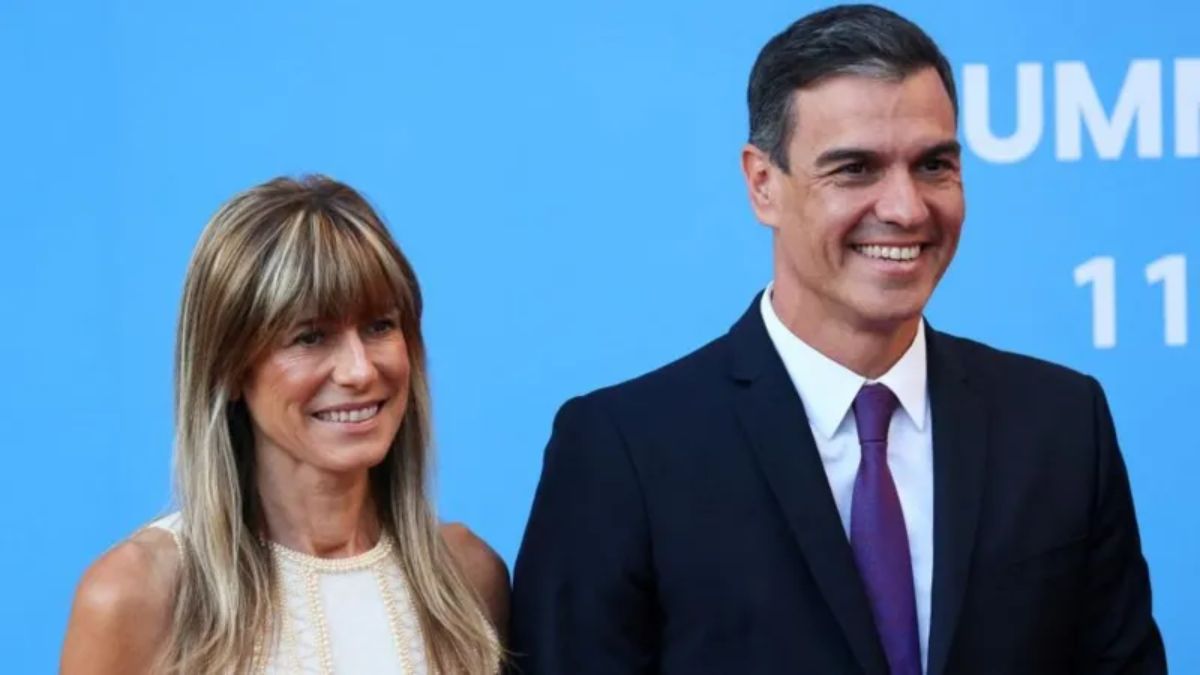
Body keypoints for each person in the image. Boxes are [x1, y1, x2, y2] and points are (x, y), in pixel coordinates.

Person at [510, 5, 1166, 674]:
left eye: (934, 165)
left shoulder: (1060, 423)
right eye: (855, 169)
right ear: (763, 183)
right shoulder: (623, 451)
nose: (907, 208)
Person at [61, 176, 507, 674]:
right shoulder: (135, 594)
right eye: (311, 337)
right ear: (227, 367)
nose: (359, 371)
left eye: (380, 326)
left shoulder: (467, 577)